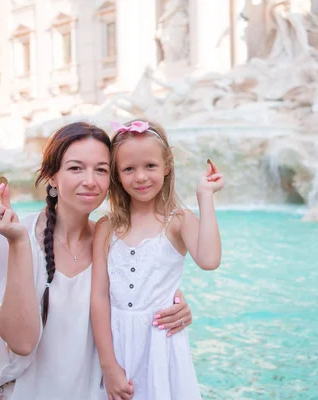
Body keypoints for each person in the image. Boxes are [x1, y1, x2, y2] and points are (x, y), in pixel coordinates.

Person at [0, 122, 193, 399]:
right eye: (75, 168)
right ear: (52, 177)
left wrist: (175, 306)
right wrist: (18, 242)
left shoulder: (115, 242)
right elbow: (21, 343)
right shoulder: (16, 234)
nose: (90, 181)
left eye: (101, 170)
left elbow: (141, 293)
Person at [91, 120, 224, 400]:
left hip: (161, 345)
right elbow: (99, 297)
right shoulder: (106, 226)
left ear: (166, 167)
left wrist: (205, 196)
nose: (140, 177)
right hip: (115, 343)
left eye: (150, 166)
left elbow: (209, 260)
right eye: (129, 169)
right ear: (117, 174)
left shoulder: (178, 221)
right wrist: (108, 364)